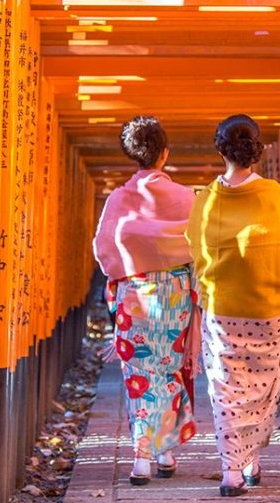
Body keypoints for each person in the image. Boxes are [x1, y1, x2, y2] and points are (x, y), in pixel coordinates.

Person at [186, 114, 280, 497]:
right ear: (256, 150)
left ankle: (231, 471)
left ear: (220, 149)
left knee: (226, 388)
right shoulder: (274, 195)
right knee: (262, 388)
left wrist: (206, 291)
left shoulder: (206, 198)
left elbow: (196, 249)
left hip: (222, 308)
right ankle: (250, 460)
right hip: (267, 307)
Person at [92, 116, 198, 485]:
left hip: (134, 294)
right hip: (175, 294)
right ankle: (163, 450)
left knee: (139, 374)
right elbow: (200, 246)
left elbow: (104, 249)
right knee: (168, 369)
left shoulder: (119, 199)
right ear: (165, 154)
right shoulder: (187, 197)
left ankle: (143, 457)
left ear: (131, 154)